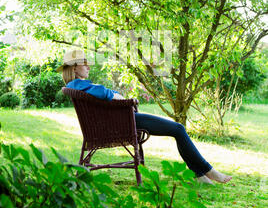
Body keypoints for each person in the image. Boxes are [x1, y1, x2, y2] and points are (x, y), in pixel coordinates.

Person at [57, 50, 232, 185]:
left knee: (177, 130)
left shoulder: (78, 85)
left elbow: (103, 94)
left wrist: (117, 96)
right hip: (124, 123)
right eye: (85, 64)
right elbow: (103, 93)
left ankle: (201, 174)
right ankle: (207, 171)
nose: (88, 67)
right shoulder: (77, 84)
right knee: (178, 129)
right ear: (74, 67)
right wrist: (120, 97)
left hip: (121, 120)